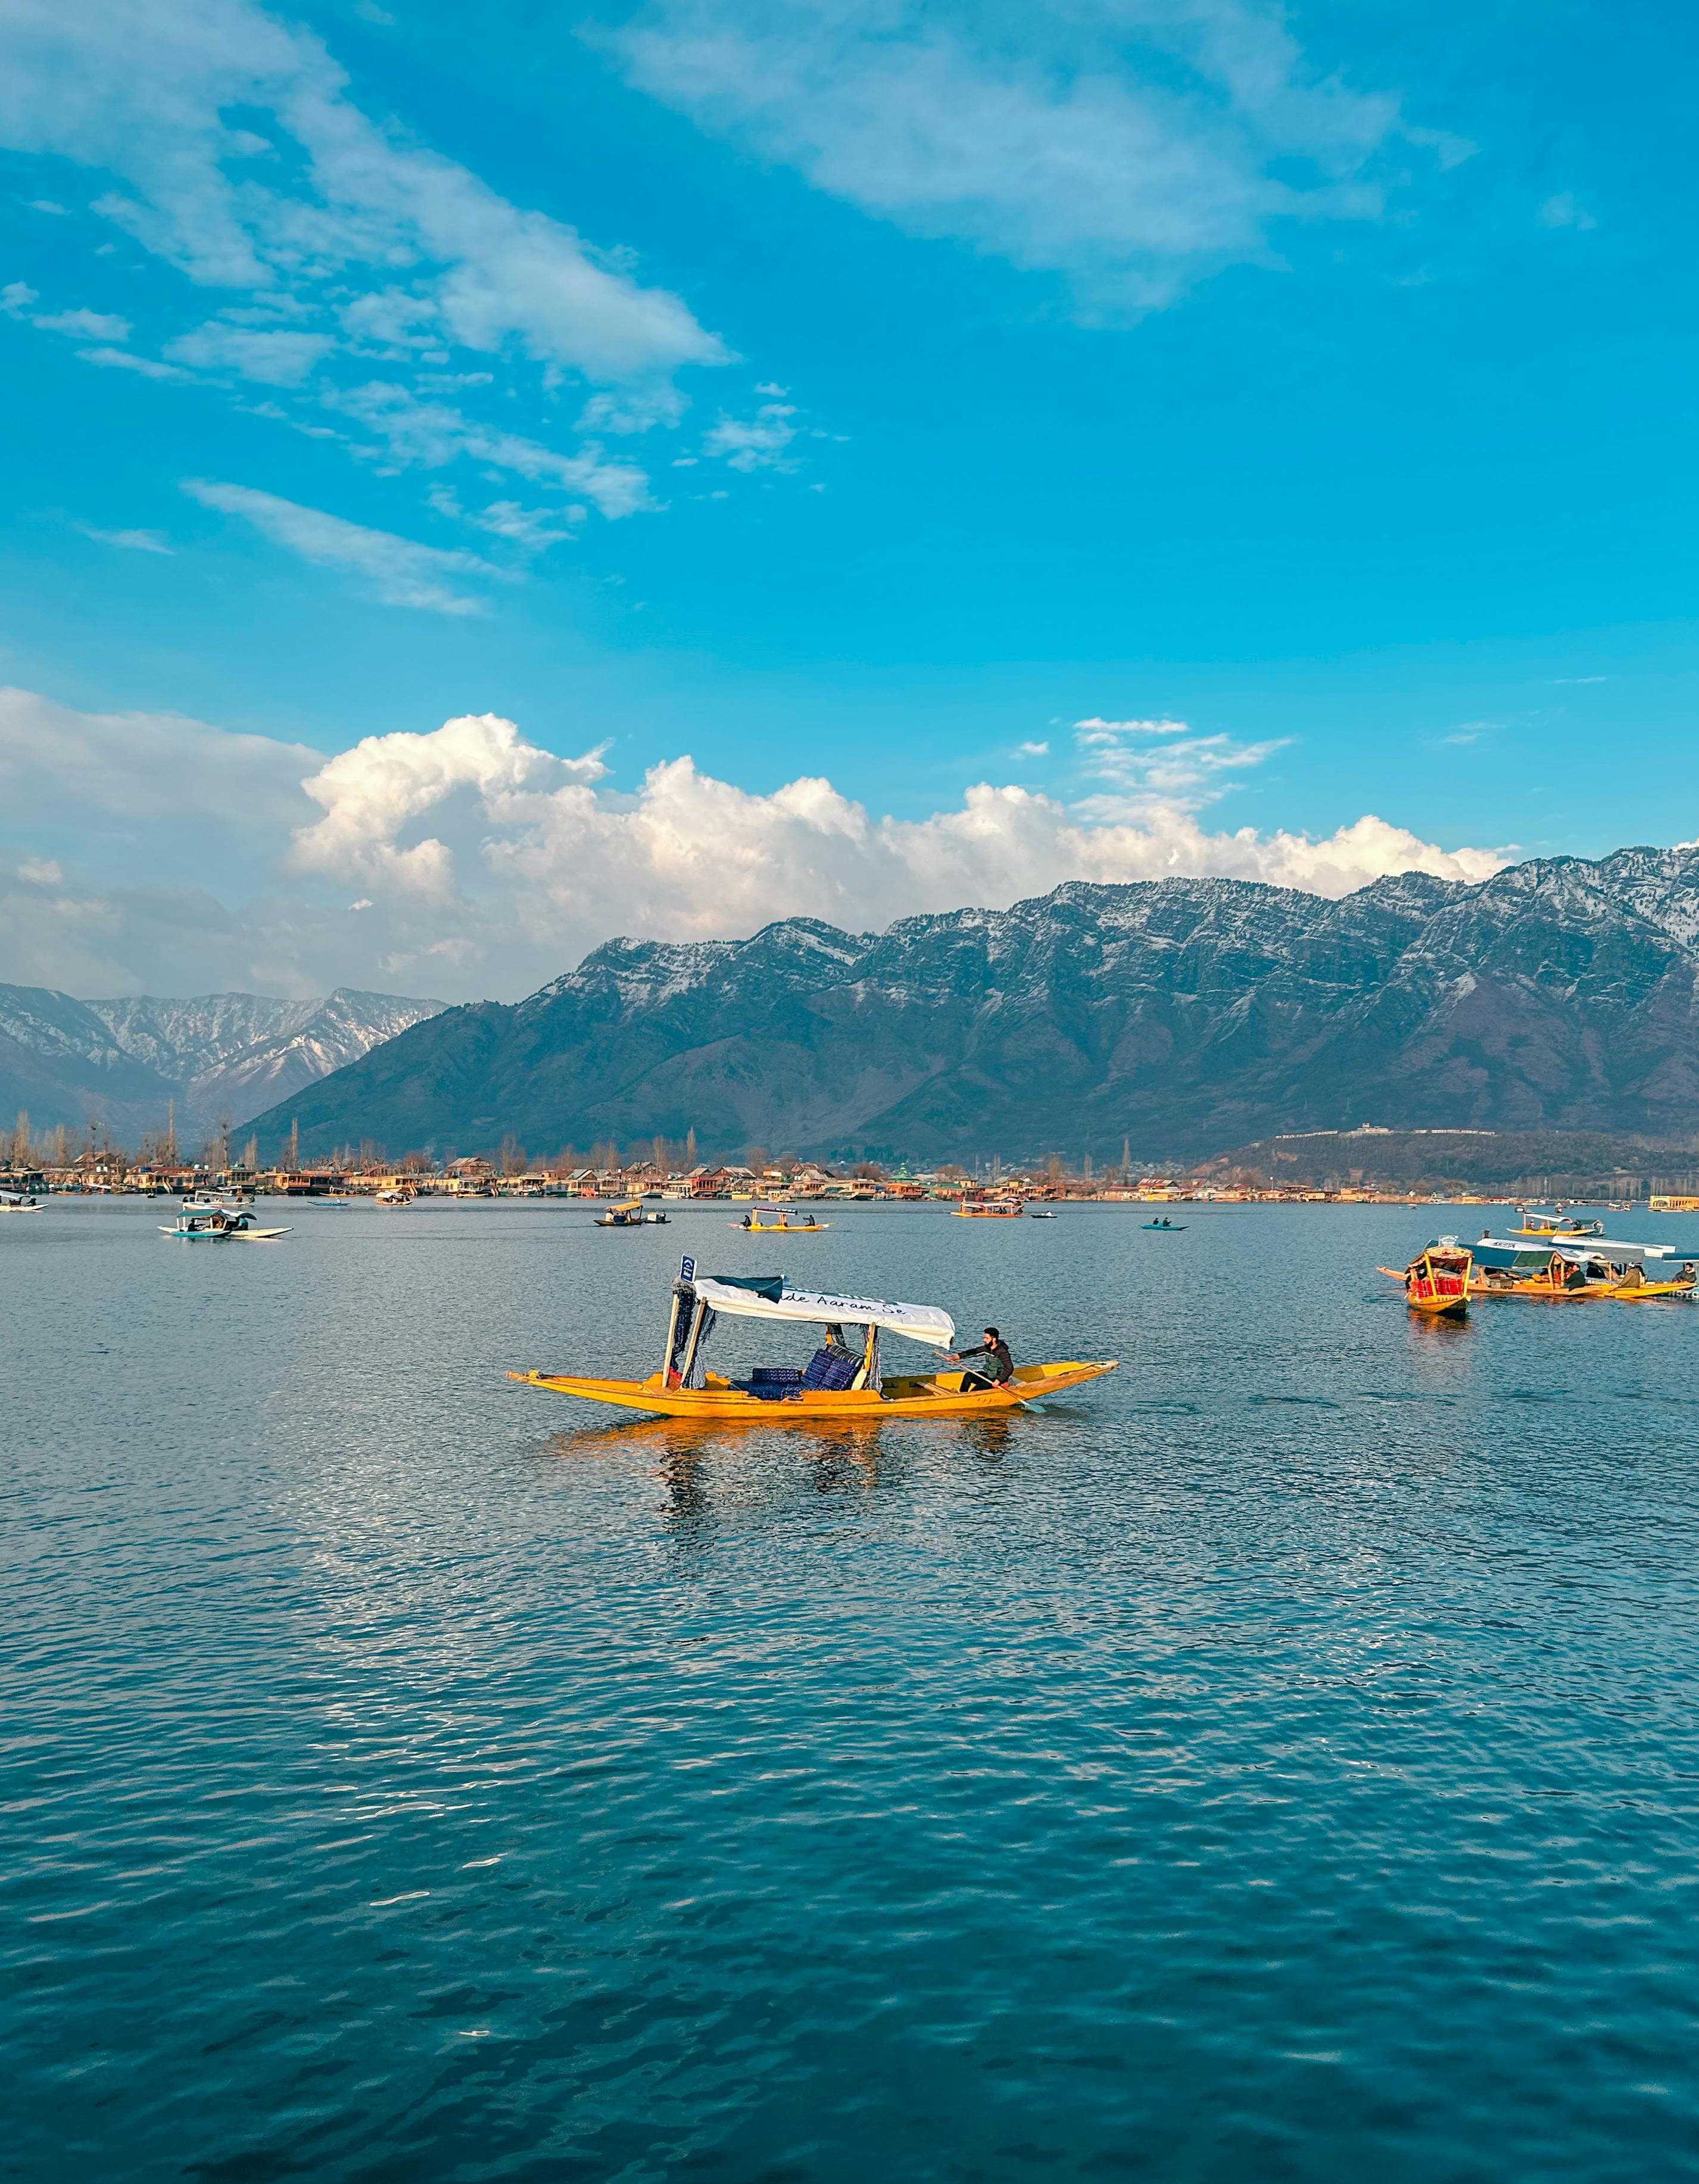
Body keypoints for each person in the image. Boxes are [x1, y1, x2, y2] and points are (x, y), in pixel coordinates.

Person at [948, 1326, 1014, 1391]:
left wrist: (999, 1380)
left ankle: (970, 1396)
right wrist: (955, 1357)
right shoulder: (987, 1348)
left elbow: (1009, 1368)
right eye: (984, 1338)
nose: (984, 1340)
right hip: (988, 1375)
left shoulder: (1002, 1352)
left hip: (997, 1379)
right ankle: (962, 1394)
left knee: (981, 1386)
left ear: (994, 1339)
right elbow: (973, 1352)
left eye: (987, 1338)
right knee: (969, 1376)